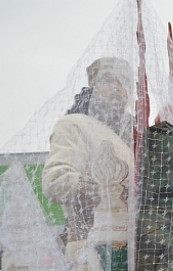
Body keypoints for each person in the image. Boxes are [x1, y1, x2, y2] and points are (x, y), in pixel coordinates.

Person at [43, 57, 135, 244]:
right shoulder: (74, 124)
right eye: (108, 80)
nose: (117, 88)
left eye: (123, 83)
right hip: (88, 246)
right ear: (92, 86)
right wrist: (109, 189)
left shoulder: (132, 137)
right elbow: (55, 181)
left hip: (131, 247)